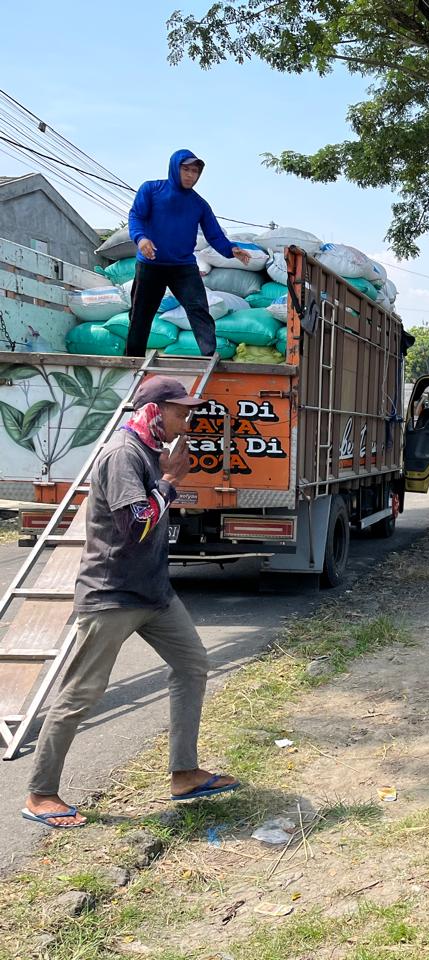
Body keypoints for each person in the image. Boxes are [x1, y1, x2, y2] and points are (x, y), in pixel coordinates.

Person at [22, 376, 240, 829]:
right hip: (112, 594)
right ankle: (41, 794)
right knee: (81, 693)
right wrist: (171, 480)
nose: (189, 418)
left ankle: (184, 774)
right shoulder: (123, 454)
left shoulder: (148, 448)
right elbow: (135, 524)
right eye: (181, 411)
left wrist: (166, 479)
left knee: (192, 664)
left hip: (154, 593)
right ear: (156, 411)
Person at [126, 150, 251, 358]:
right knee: (141, 315)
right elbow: (136, 216)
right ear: (174, 168)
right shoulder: (151, 189)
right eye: (186, 169)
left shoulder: (199, 204)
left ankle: (209, 356)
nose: (190, 175)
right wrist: (141, 239)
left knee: (199, 309)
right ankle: (132, 359)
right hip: (150, 264)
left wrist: (231, 250)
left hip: (182, 267)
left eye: (195, 171)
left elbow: (214, 234)